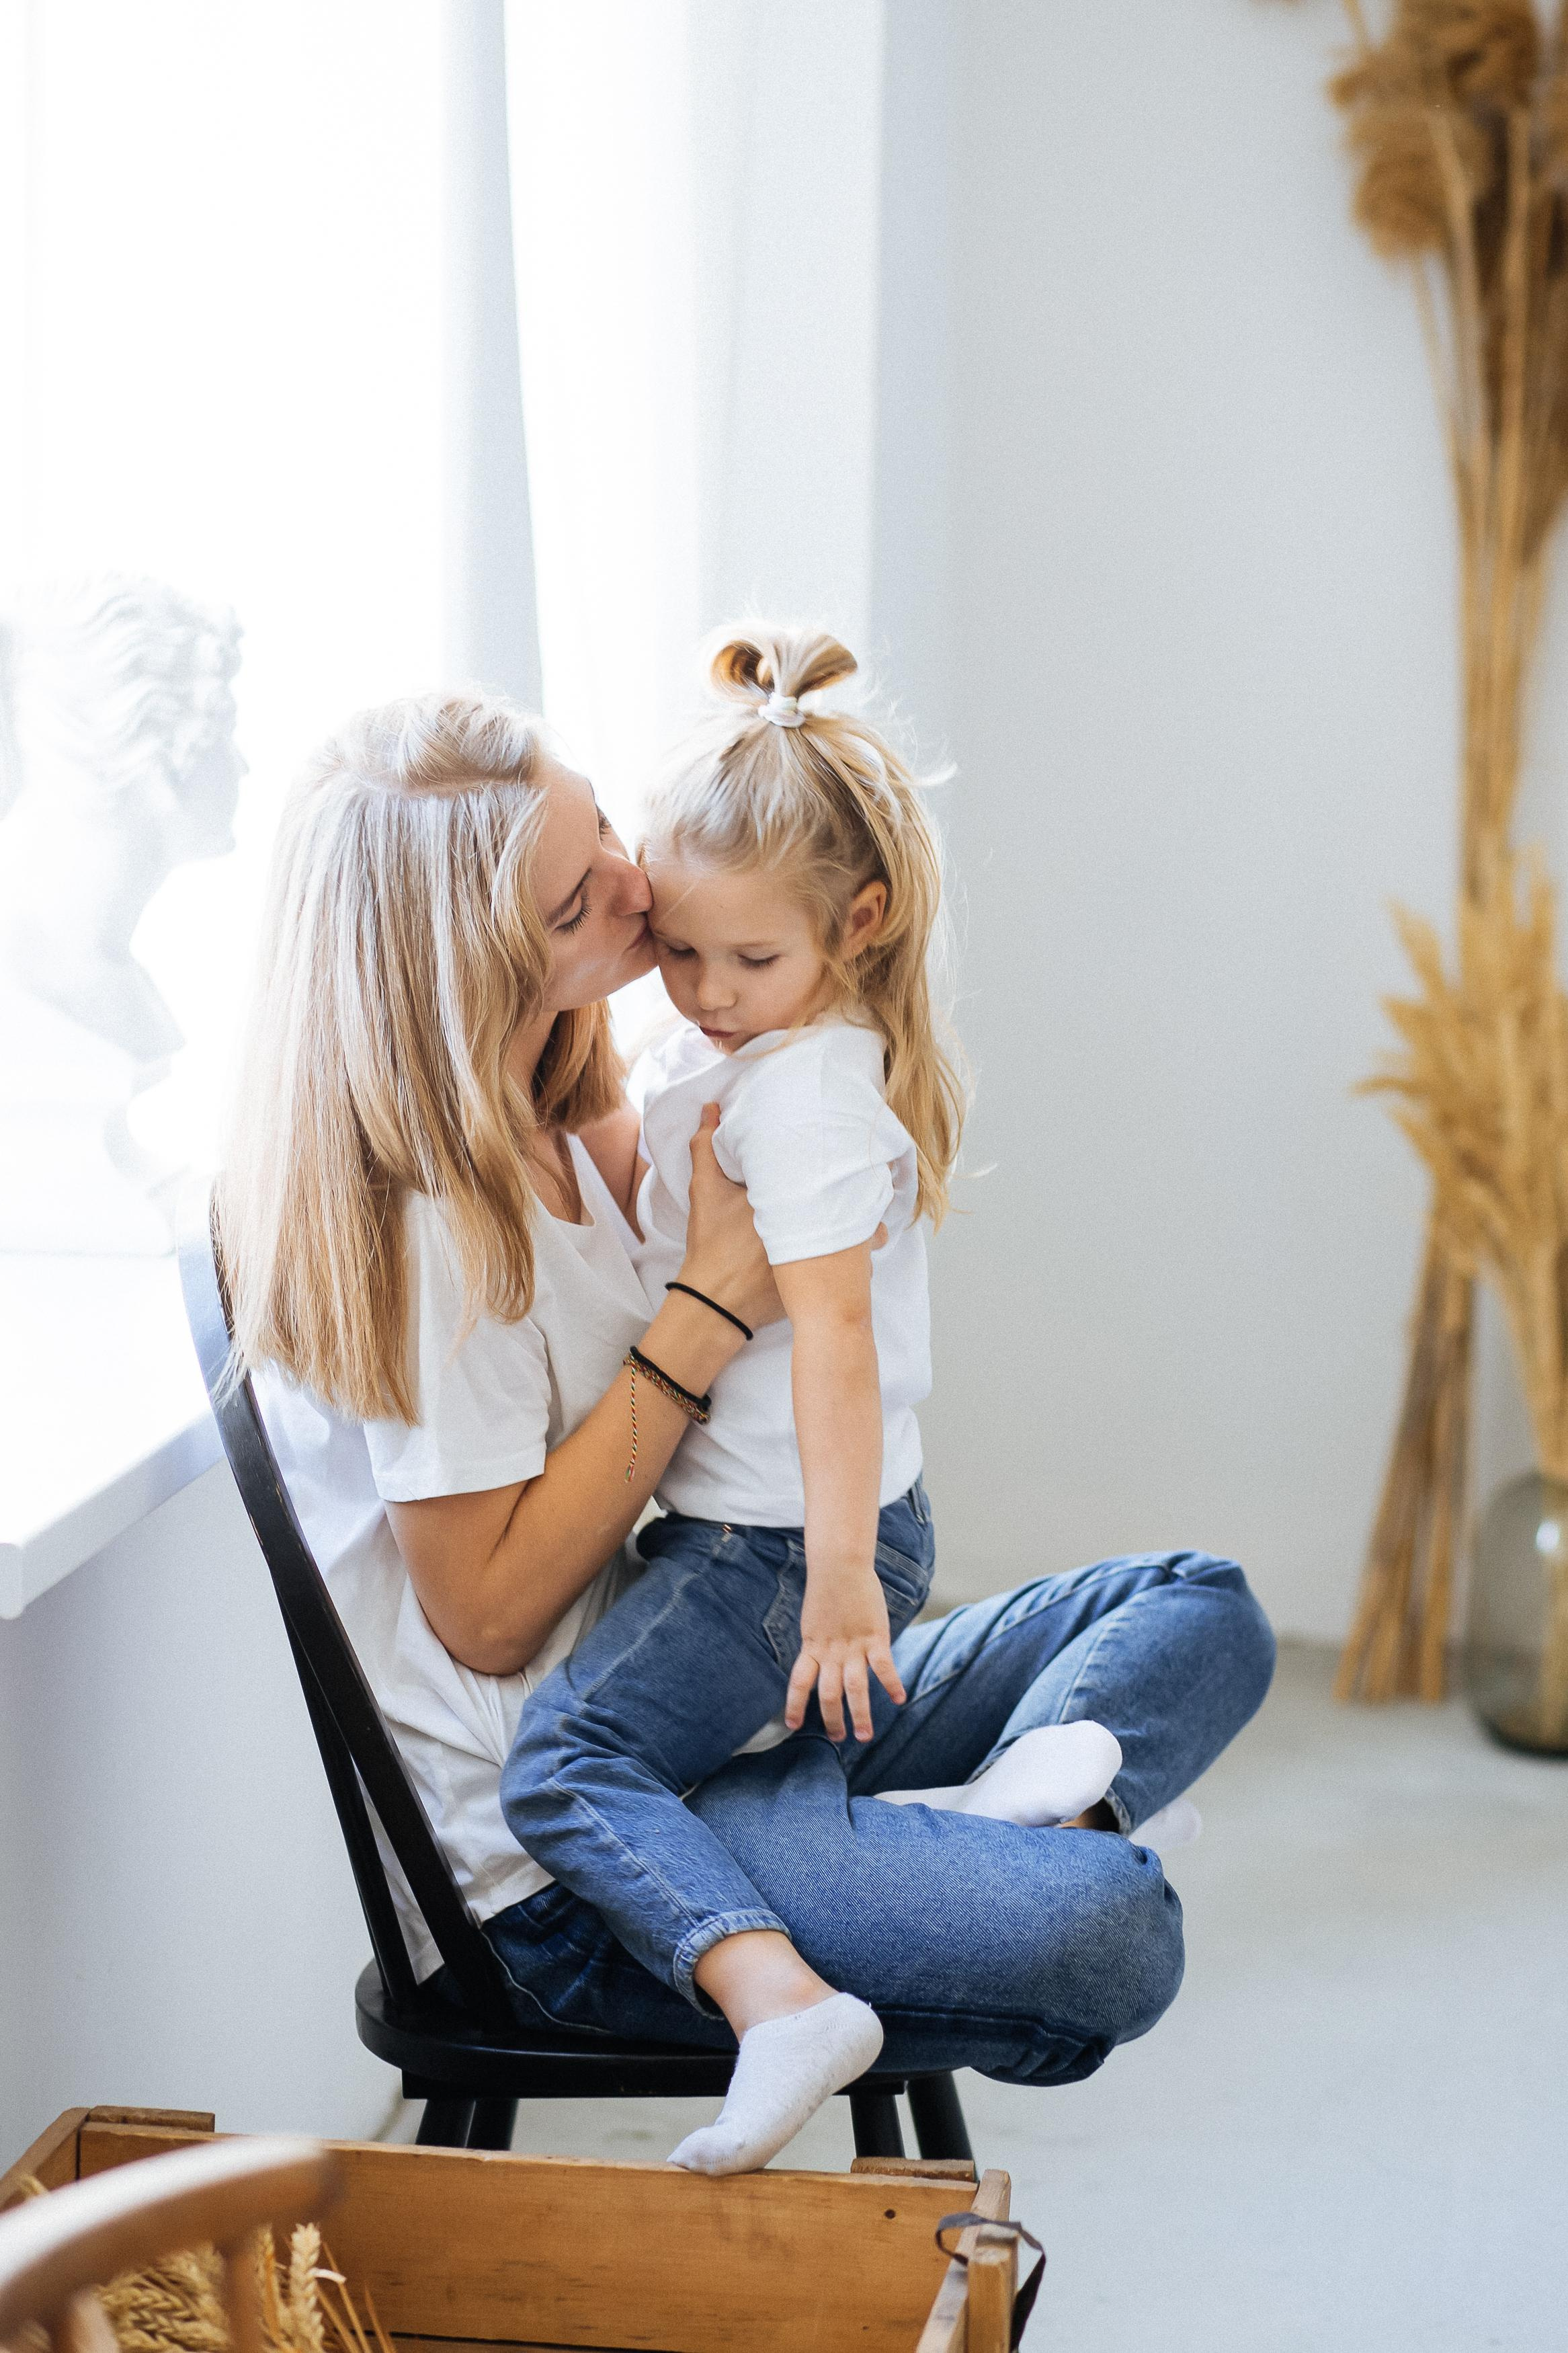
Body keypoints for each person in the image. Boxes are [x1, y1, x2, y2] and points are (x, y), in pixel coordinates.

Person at [219, 683, 1274, 2167]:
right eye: (588, 891)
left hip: (725, 1694)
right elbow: (486, 1619)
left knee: (1197, 1601)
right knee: (1118, 1943)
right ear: (480, 958)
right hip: (577, 1861)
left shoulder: (582, 1123)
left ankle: (1001, 1829)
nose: (640, 891)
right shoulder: (432, 1230)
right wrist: (710, 1302)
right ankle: (1007, 1859)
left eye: (611, 833)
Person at [499, 625, 1124, 2173]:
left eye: (749, 960)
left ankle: (778, 2000)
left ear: (859, 923)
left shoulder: (811, 1103)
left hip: (776, 1551)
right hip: (777, 1536)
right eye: (685, 950)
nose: (706, 992)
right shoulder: (770, 1058)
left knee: (562, 1765)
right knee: (713, 1758)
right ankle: (973, 1820)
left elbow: (832, 1343)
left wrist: (843, 1582)